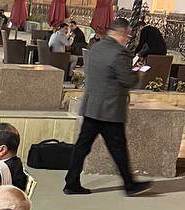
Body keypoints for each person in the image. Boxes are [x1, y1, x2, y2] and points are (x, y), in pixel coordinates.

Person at [64, 17, 150, 196]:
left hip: (92, 106)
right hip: (110, 109)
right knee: (118, 149)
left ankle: (71, 182)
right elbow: (127, 80)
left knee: (82, 147)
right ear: (121, 33)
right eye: (127, 35)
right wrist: (139, 73)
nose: (127, 39)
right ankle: (130, 185)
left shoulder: (97, 47)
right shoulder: (120, 53)